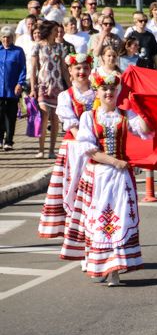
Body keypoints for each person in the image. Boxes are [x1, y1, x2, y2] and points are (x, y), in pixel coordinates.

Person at [59, 72, 151, 285]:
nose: (109, 93)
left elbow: (146, 131)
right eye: (104, 89)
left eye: (112, 89)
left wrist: (142, 108)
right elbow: (89, 150)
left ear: (117, 92)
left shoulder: (125, 115)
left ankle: (114, 269)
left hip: (121, 178)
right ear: (97, 92)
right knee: (99, 220)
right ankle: (100, 264)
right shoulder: (88, 117)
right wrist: (115, 162)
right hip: (98, 176)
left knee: (120, 220)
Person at [38, 54, 96, 239]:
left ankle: (92, 229)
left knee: (94, 189)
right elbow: (71, 124)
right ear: (70, 71)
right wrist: (86, 143)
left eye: (85, 68)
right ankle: (75, 229)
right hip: (75, 148)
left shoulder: (98, 93)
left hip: (96, 147)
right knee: (73, 187)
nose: (82, 72)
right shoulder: (66, 96)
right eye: (78, 68)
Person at [30, 21, 70, 159]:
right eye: (55, 30)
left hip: (57, 86)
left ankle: (52, 150)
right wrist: (32, 88)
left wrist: (70, 87)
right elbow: (33, 69)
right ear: (48, 31)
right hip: (43, 85)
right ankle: (41, 149)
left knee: (55, 118)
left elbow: (64, 69)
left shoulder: (60, 48)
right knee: (44, 116)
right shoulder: (38, 46)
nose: (57, 33)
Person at [1, 26, 27, 151]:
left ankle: (9, 141)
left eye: (9, 37)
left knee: (10, 116)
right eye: (4, 37)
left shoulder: (18, 51)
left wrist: (20, 83)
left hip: (12, 89)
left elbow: (23, 69)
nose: (6, 40)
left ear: (12, 38)